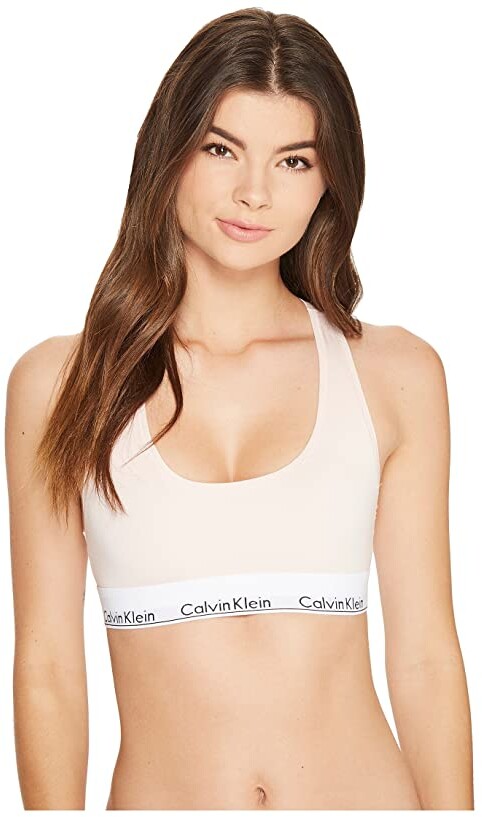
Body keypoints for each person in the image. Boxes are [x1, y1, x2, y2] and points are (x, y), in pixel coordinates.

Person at [6, 7, 473, 811]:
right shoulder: (61, 384)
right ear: (170, 150)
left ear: (329, 179)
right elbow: (47, 665)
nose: (254, 193)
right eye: (221, 148)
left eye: (294, 160)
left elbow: (427, 656)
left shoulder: (394, 376)